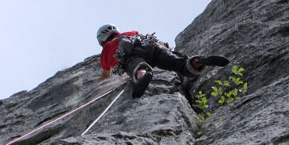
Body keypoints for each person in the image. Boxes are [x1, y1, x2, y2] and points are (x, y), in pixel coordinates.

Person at [96, 24, 229, 98]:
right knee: (181, 66)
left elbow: (106, 74)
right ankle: (200, 61)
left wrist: (100, 80)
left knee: (135, 65)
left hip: (131, 55)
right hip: (153, 47)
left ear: (102, 41)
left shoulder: (106, 50)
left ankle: (143, 75)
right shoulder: (131, 32)